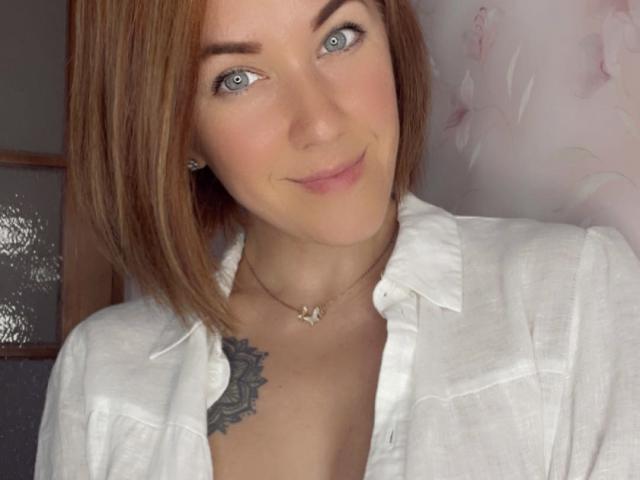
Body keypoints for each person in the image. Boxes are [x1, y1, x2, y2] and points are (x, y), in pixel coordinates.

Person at [35, 0, 640, 478]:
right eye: (237, 78)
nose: (320, 122)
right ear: (179, 130)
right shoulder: (103, 376)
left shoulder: (570, 300)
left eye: (338, 38)